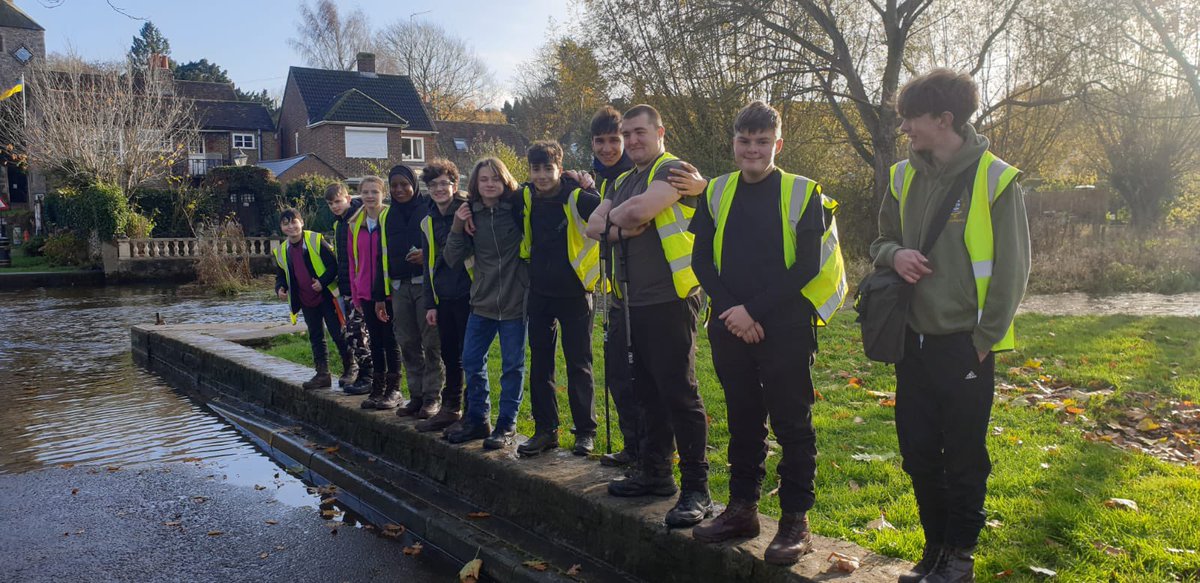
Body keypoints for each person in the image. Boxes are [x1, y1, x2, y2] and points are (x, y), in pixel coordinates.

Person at [870, 69, 1030, 583]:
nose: (906, 129)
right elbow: (879, 243)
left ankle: (960, 554)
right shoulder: (901, 176)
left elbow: (1013, 269)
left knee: (963, 457)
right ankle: (934, 548)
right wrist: (896, 256)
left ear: (945, 119)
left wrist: (984, 341)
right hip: (910, 343)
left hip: (966, 346)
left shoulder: (996, 178)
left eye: (912, 119)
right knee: (918, 453)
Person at [689, 101, 844, 565]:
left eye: (762, 142)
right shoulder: (715, 191)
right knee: (742, 418)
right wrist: (733, 310)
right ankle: (742, 509)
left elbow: (806, 265)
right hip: (729, 324)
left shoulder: (803, 192)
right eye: (744, 141)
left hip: (786, 326)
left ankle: (796, 520)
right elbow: (700, 260)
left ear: (777, 144)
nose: (752, 149)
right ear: (733, 143)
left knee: (793, 423)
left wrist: (751, 311)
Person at [585, 104, 711, 528]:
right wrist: (618, 224)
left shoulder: (673, 169)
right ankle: (656, 473)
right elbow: (593, 225)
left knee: (680, 393)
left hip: (670, 299)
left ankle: (698, 488)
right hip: (629, 301)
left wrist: (616, 221)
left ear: (661, 132)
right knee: (644, 392)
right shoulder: (622, 179)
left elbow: (635, 214)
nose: (633, 140)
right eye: (628, 133)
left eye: (641, 132)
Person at [516, 141, 602, 457]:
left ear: (559, 168)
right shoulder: (525, 196)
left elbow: (608, 208)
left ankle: (585, 432)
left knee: (579, 363)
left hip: (576, 292)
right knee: (540, 364)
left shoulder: (577, 196)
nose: (541, 175)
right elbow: (493, 195)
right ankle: (546, 430)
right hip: (539, 292)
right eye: (535, 169)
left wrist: (591, 184)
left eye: (547, 169)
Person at [442, 157, 529, 450]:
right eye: (484, 179)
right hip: (481, 303)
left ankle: (506, 424)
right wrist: (456, 226)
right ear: (476, 184)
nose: (490, 184)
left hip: (515, 303)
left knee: (512, 366)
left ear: (505, 181)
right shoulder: (470, 215)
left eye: (496, 178)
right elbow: (452, 259)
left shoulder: (519, 209)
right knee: (471, 360)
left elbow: (546, 187)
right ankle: (479, 418)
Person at [415, 159, 473, 433]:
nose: (439, 189)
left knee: (470, 355)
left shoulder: (468, 210)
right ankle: (451, 409)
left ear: (455, 184)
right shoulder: (427, 220)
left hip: (470, 293)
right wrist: (430, 303)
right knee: (450, 355)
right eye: (433, 184)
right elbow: (428, 264)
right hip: (443, 296)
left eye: (444, 183)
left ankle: (473, 412)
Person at [383, 165, 445, 420]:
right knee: (407, 342)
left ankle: (433, 397)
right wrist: (380, 294)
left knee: (431, 342)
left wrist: (427, 253)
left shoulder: (429, 206)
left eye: (404, 184)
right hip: (399, 286)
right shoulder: (389, 215)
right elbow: (381, 254)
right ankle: (416, 395)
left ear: (414, 184)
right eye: (394, 185)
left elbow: (446, 238)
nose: (399, 190)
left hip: (425, 284)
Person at [272, 207, 349, 391]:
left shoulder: (315, 240)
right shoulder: (282, 250)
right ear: (282, 228)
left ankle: (349, 369)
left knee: (338, 333)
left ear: (302, 222)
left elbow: (333, 265)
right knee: (315, 337)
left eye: (294, 222)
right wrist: (280, 288)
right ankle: (323, 374)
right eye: (286, 223)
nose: (291, 226)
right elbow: (281, 275)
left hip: (326, 296)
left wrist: (322, 282)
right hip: (305, 299)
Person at [349, 176, 402, 410]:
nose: (370, 197)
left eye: (375, 192)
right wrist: (356, 293)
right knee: (375, 341)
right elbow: (353, 262)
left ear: (383, 194)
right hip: (366, 292)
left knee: (390, 340)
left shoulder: (391, 218)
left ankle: (394, 389)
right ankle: (377, 387)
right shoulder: (355, 223)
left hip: (389, 291)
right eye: (366, 192)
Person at [325, 183, 373, 395]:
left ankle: (369, 375)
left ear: (347, 198)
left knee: (357, 332)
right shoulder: (340, 224)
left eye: (337, 201)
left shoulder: (357, 218)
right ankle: (365, 373)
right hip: (346, 286)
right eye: (330, 204)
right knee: (353, 333)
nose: (334, 206)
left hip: (360, 286)